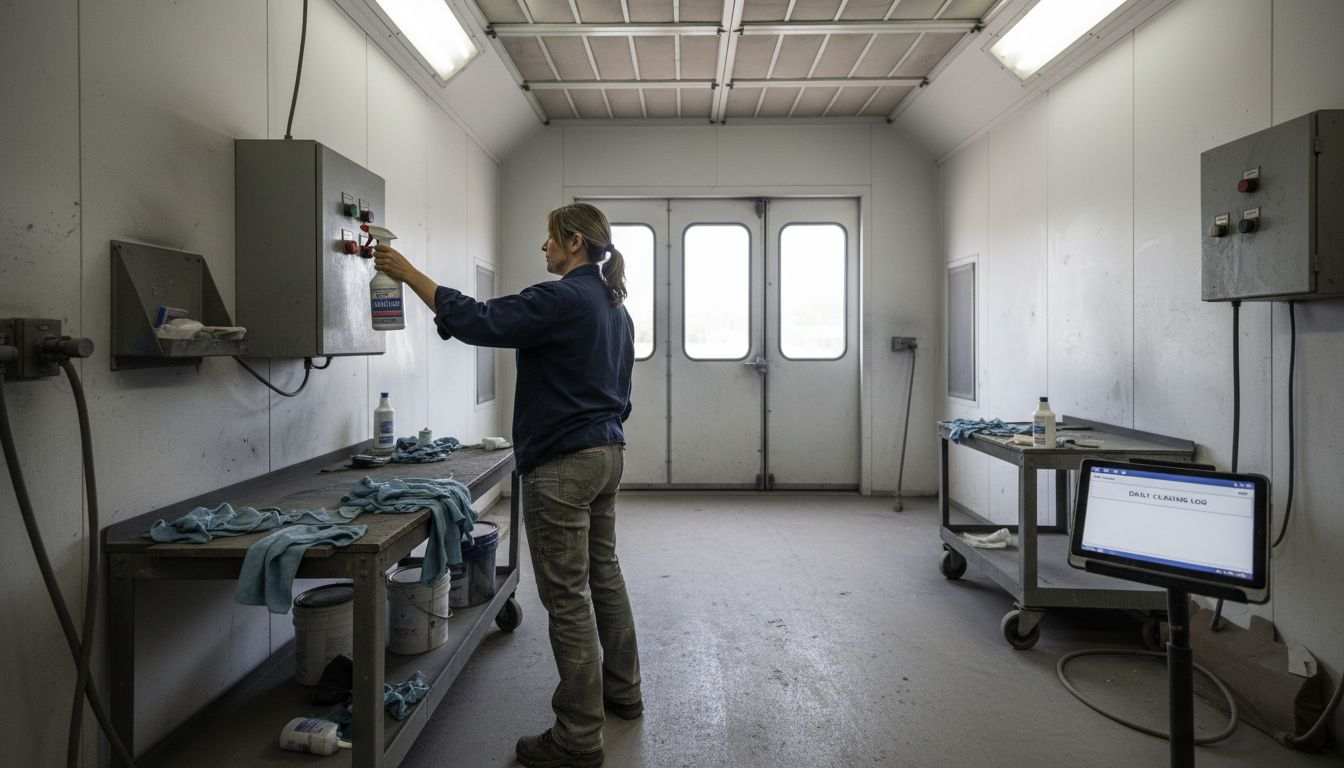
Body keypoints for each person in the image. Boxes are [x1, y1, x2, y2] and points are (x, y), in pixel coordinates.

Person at [373, 202, 642, 768]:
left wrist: (408, 272)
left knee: (567, 598)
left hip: (564, 465)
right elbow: (622, 391)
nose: (542, 249)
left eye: (548, 239)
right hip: (608, 454)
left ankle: (578, 736)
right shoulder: (615, 308)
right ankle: (623, 692)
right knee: (605, 577)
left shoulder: (561, 298)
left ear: (572, 242)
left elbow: (477, 320)